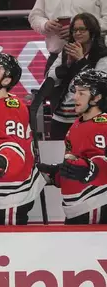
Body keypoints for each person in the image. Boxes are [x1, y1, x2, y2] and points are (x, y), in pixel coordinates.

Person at [0, 53, 46, 225]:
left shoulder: (10, 108)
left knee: (7, 248)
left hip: (7, 194)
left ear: (6, 81)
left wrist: (3, 162)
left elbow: (13, 146)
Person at [38, 69, 107, 224]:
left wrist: (92, 168)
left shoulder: (104, 125)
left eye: (82, 93)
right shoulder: (76, 125)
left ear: (97, 97)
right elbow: (76, 163)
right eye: (75, 92)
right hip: (76, 207)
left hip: (96, 203)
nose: (75, 97)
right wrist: (56, 174)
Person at [47, 13, 107, 140]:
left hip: (89, 117)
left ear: (93, 31)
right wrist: (67, 64)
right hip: (60, 116)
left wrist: (80, 60)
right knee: (57, 158)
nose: (77, 33)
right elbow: (50, 77)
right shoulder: (66, 50)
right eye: (74, 30)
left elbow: (99, 84)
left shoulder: (102, 55)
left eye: (82, 29)